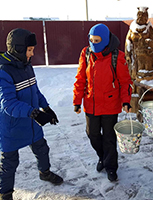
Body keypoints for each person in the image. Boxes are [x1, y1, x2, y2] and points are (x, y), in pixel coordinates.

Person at [0, 28, 63, 200]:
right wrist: (33, 113)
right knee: (9, 163)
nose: (32, 54)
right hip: (12, 127)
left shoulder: (27, 66)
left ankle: (45, 172)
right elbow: (9, 104)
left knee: (42, 149)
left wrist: (46, 108)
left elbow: (35, 91)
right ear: (18, 49)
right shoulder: (3, 71)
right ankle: (5, 194)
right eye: (29, 50)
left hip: (31, 122)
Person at [73, 23, 132, 182]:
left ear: (105, 40)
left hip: (110, 105)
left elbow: (125, 81)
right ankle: (102, 157)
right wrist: (77, 101)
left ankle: (111, 167)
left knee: (109, 138)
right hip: (91, 103)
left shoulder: (116, 56)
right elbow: (80, 79)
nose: (93, 44)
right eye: (91, 40)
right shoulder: (86, 53)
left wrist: (126, 101)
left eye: (97, 40)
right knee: (92, 135)